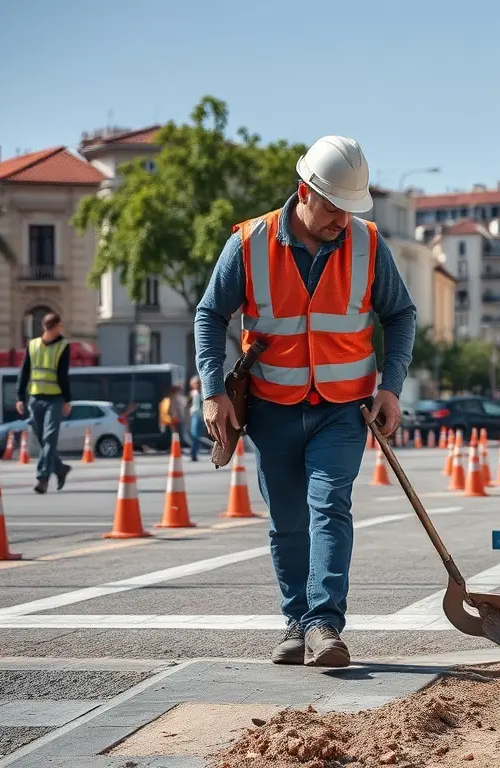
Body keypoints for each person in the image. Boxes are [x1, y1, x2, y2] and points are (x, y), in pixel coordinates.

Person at [194, 135, 416, 667]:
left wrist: (390, 387)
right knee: (287, 520)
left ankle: (324, 625)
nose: (343, 220)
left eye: (350, 209)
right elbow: (209, 314)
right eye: (334, 208)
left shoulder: (366, 243)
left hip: (343, 407)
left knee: (329, 505)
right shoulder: (249, 243)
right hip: (272, 406)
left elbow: (400, 314)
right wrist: (213, 390)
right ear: (304, 193)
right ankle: (295, 622)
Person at [15, 312, 72, 494]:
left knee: (49, 438)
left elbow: (63, 376)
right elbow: (24, 372)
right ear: (52, 327)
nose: (61, 329)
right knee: (43, 441)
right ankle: (60, 468)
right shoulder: (32, 345)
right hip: (35, 399)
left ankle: (42, 478)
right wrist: (19, 397)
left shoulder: (63, 346)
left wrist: (66, 400)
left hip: (54, 399)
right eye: (59, 326)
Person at [187, 376, 205, 461]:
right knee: (195, 435)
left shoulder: (203, 392)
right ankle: (193, 453)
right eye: (195, 383)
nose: (197, 384)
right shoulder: (193, 393)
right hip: (195, 415)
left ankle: (195, 452)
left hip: (202, 415)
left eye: (198, 383)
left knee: (199, 435)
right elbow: (187, 404)